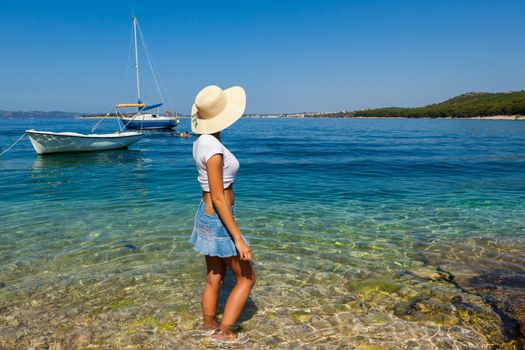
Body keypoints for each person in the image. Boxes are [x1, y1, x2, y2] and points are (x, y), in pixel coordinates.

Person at [188, 85, 255, 345]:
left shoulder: (201, 141)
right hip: (218, 219)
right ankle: (225, 333)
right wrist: (238, 237)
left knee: (215, 276)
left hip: (205, 216)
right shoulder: (213, 148)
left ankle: (208, 325)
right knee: (247, 277)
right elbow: (218, 197)